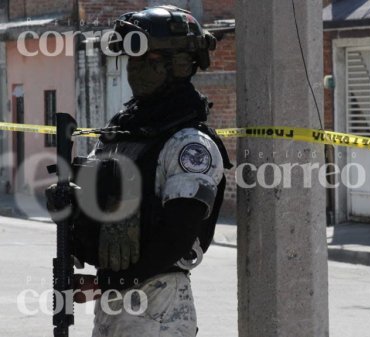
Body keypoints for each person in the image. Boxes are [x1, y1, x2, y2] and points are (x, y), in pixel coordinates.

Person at [46, 5, 232, 336]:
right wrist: (69, 205)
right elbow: (102, 207)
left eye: (151, 61)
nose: (136, 70)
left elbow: (178, 234)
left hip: (159, 307)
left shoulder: (189, 143)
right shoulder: (125, 133)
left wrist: (118, 280)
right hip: (114, 306)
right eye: (132, 60)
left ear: (180, 64)